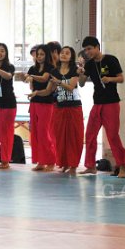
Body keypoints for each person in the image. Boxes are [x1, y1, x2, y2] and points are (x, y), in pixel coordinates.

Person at [78, 36, 125, 178]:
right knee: (90, 134)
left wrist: (110, 79)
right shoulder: (89, 65)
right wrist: (81, 73)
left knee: (113, 136)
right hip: (97, 103)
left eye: (90, 49)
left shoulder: (111, 59)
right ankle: (90, 166)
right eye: (85, 50)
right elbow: (82, 84)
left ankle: (122, 166)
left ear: (97, 47)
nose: (88, 52)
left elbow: (121, 78)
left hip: (111, 103)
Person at [50, 46, 84, 175]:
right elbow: (51, 89)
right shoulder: (54, 71)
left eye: (67, 53)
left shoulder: (75, 70)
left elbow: (71, 87)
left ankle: (73, 165)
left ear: (71, 56)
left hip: (74, 106)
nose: (64, 55)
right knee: (59, 136)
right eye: (62, 53)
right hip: (59, 106)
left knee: (74, 136)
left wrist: (58, 82)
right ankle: (63, 163)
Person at [27, 44, 57, 171]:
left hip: (46, 103)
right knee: (35, 132)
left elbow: (44, 78)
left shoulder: (51, 68)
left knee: (44, 132)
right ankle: (40, 161)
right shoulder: (33, 68)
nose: (39, 57)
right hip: (34, 102)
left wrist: (31, 77)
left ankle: (50, 160)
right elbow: (31, 85)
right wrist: (27, 79)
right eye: (37, 54)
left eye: (42, 54)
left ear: (47, 55)